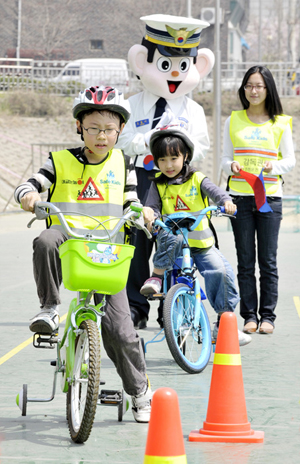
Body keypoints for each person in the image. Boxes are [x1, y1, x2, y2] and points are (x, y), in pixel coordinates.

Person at [14, 86, 154, 423]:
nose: (101, 136)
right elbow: (27, 185)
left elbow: (132, 200)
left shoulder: (125, 164)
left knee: (121, 331)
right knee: (45, 239)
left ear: (120, 130)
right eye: (93, 128)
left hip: (107, 249)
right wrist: (30, 198)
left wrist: (142, 212)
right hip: (69, 239)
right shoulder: (59, 160)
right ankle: (49, 309)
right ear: (80, 128)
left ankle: (139, 392)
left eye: (109, 129)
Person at [116, 13, 215, 329]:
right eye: (165, 65)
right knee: (137, 243)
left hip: (180, 183)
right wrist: (153, 141)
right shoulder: (133, 105)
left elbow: (202, 146)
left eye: (183, 66)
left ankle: (172, 309)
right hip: (143, 179)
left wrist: (179, 149)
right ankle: (136, 307)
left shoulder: (194, 110)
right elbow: (124, 141)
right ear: (142, 62)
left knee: (177, 242)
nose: (174, 73)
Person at [139, 124, 252, 346]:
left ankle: (224, 323)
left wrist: (226, 202)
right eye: (162, 160)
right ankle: (156, 277)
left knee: (220, 271)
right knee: (172, 237)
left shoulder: (197, 178)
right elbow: (152, 207)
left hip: (201, 245)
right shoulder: (158, 185)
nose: (168, 165)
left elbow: (216, 192)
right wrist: (149, 214)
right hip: (174, 244)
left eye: (173, 158)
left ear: (186, 156)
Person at [221, 65, 296, 335]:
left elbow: (290, 161)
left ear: (268, 89)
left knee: (268, 261)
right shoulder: (233, 120)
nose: (254, 90)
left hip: (269, 199)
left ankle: (268, 317)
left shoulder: (281, 122)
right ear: (244, 89)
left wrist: (271, 168)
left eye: (259, 86)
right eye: (249, 85)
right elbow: (224, 158)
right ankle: (249, 316)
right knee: (244, 260)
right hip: (240, 199)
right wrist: (231, 166)